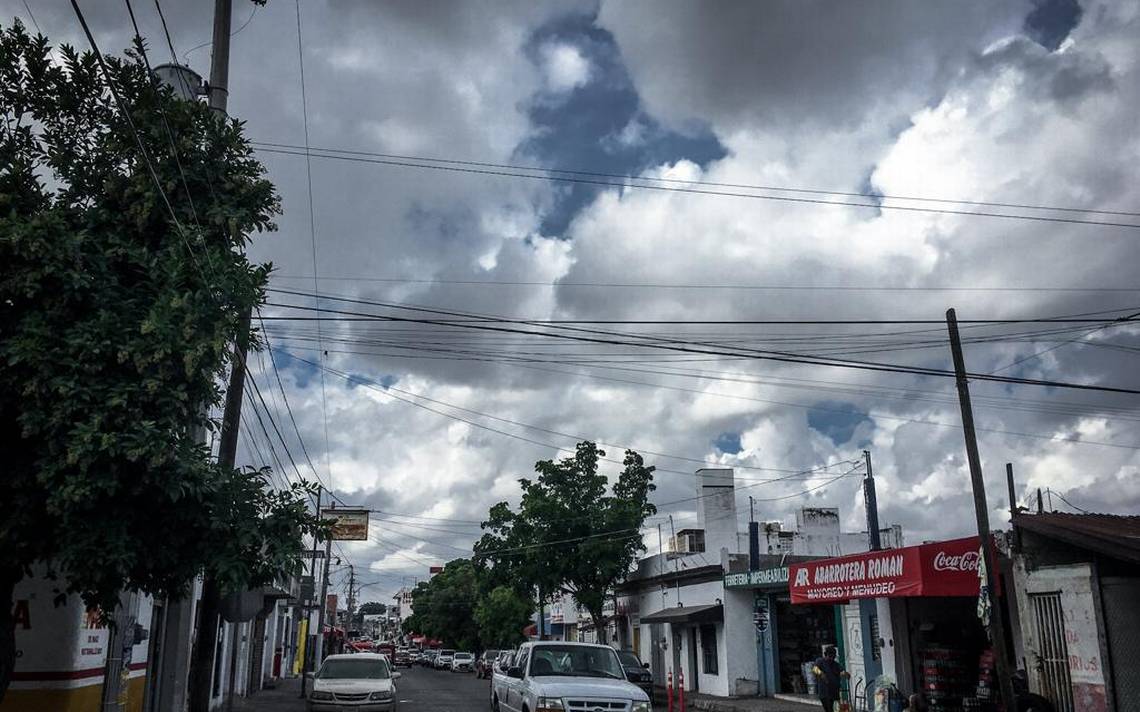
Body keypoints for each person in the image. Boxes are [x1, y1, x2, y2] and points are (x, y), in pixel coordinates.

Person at [812, 645, 849, 712]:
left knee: (835, 709)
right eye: (830, 656)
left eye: (833, 657)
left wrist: (845, 673)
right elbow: (815, 669)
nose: (832, 659)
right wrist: (821, 673)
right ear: (826, 655)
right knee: (829, 709)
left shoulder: (836, 664)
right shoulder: (820, 661)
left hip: (834, 692)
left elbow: (842, 671)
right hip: (824, 692)